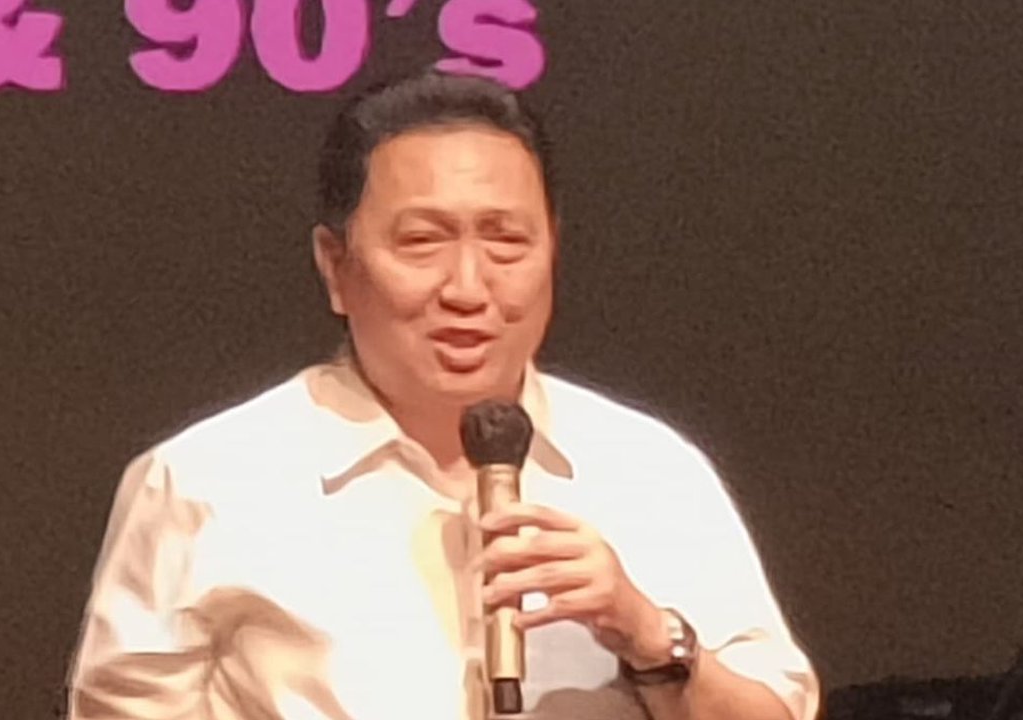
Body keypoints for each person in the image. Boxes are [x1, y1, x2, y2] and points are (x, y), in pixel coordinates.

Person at [66, 69, 820, 720]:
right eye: (423, 241)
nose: (468, 287)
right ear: (336, 266)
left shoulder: (650, 469)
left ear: (553, 249)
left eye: (506, 242)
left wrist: (650, 638)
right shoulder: (207, 482)